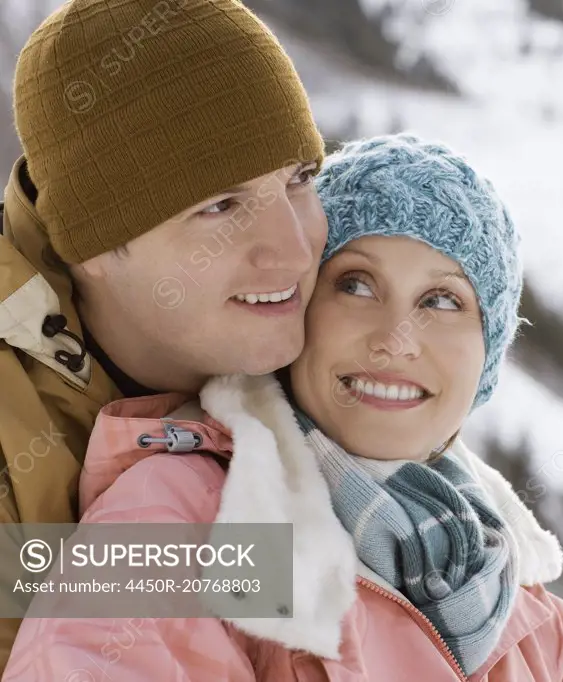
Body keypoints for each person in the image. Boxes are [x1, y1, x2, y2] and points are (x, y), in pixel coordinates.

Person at [3, 134, 563, 681]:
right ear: (298, 308)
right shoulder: (174, 524)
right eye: (356, 285)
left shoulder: (541, 632)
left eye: (442, 300)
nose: (396, 338)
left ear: (487, 355)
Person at [0, 0, 326, 669]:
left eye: (298, 180)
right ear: (87, 243)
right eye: (221, 207)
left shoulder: (345, 332)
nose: (294, 253)